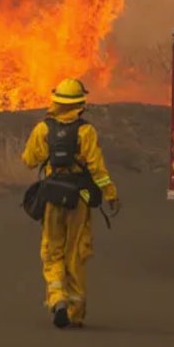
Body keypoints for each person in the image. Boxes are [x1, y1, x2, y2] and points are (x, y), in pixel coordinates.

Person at [21, 77, 119, 328]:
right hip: (79, 200)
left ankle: (57, 299)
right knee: (75, 253)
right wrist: (110, 193)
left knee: (51, 251)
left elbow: (29, 160)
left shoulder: (43, 129)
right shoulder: (86, 131)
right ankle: (75, 312)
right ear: (80, 103)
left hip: (52, 199)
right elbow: (97, 168)